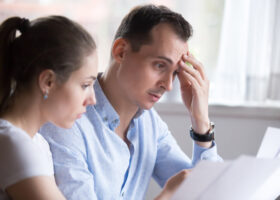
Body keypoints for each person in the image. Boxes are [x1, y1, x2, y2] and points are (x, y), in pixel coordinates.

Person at [40, 4, 223, 200]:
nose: (168, 85)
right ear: (121, 51)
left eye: (175, 73)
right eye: (160, 65)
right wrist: (168, 195)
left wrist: (201, 122)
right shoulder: (66, 122)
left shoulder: (150, 125)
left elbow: (209, 194)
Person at [0, 15, 98, 199]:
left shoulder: (38, 143)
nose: (92, 99)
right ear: (48, 81)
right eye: (85, 85)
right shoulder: (11, 143)